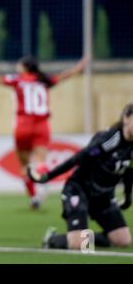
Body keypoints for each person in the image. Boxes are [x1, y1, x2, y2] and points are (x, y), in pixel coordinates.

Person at [0, 56, 87, 209]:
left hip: (23, 126)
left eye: (20, 64)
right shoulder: (44, 80)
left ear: (25, 67)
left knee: (25, 166)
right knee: (41, 161)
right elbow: (63, 76)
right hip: (41, 126)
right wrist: (79, 67)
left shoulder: (18, 80)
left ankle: (34, 197)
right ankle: (42, 184)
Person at [28, 103, 133, 250]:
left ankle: (87, 237)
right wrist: (48, 176)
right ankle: (52, 239)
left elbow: (129, 171)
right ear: (126, 118)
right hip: (79, 190)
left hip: (104, 196)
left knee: (123, 240)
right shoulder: (109, 140)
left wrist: (128, 196)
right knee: (79, 244)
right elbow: (79, 158)